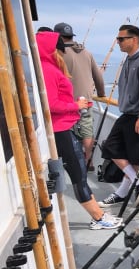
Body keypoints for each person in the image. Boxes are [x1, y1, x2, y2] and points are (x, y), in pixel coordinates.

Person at [36, 30, 122, 230]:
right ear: (52, 49)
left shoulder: (48, 67)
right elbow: (50, 103)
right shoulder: (48, 69)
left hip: (65, 127)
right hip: (60, 130)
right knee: (78, 175)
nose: (63, 52)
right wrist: (77, 106)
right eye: (60, 49)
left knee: (80, 172)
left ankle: (98, 215)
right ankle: (98, 218)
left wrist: (75, 104)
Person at [98, 24, 139, 207]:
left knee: (134, 158)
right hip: (128, 113)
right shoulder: (129, 60)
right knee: (110, 147)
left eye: (121, 39)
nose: (118, 42)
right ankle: (136, 182)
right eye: (118, 39)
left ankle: (123, 192)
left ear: (134, 39)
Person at [53, 22, 105, 164]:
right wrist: (101, 93)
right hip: (86, 100)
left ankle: (67, 160)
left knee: (65, 130)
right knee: (87, 130)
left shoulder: (58, 54)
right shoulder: (87, 53)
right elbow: (98, 76)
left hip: (67, 102)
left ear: (58, 36)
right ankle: (89, 161)